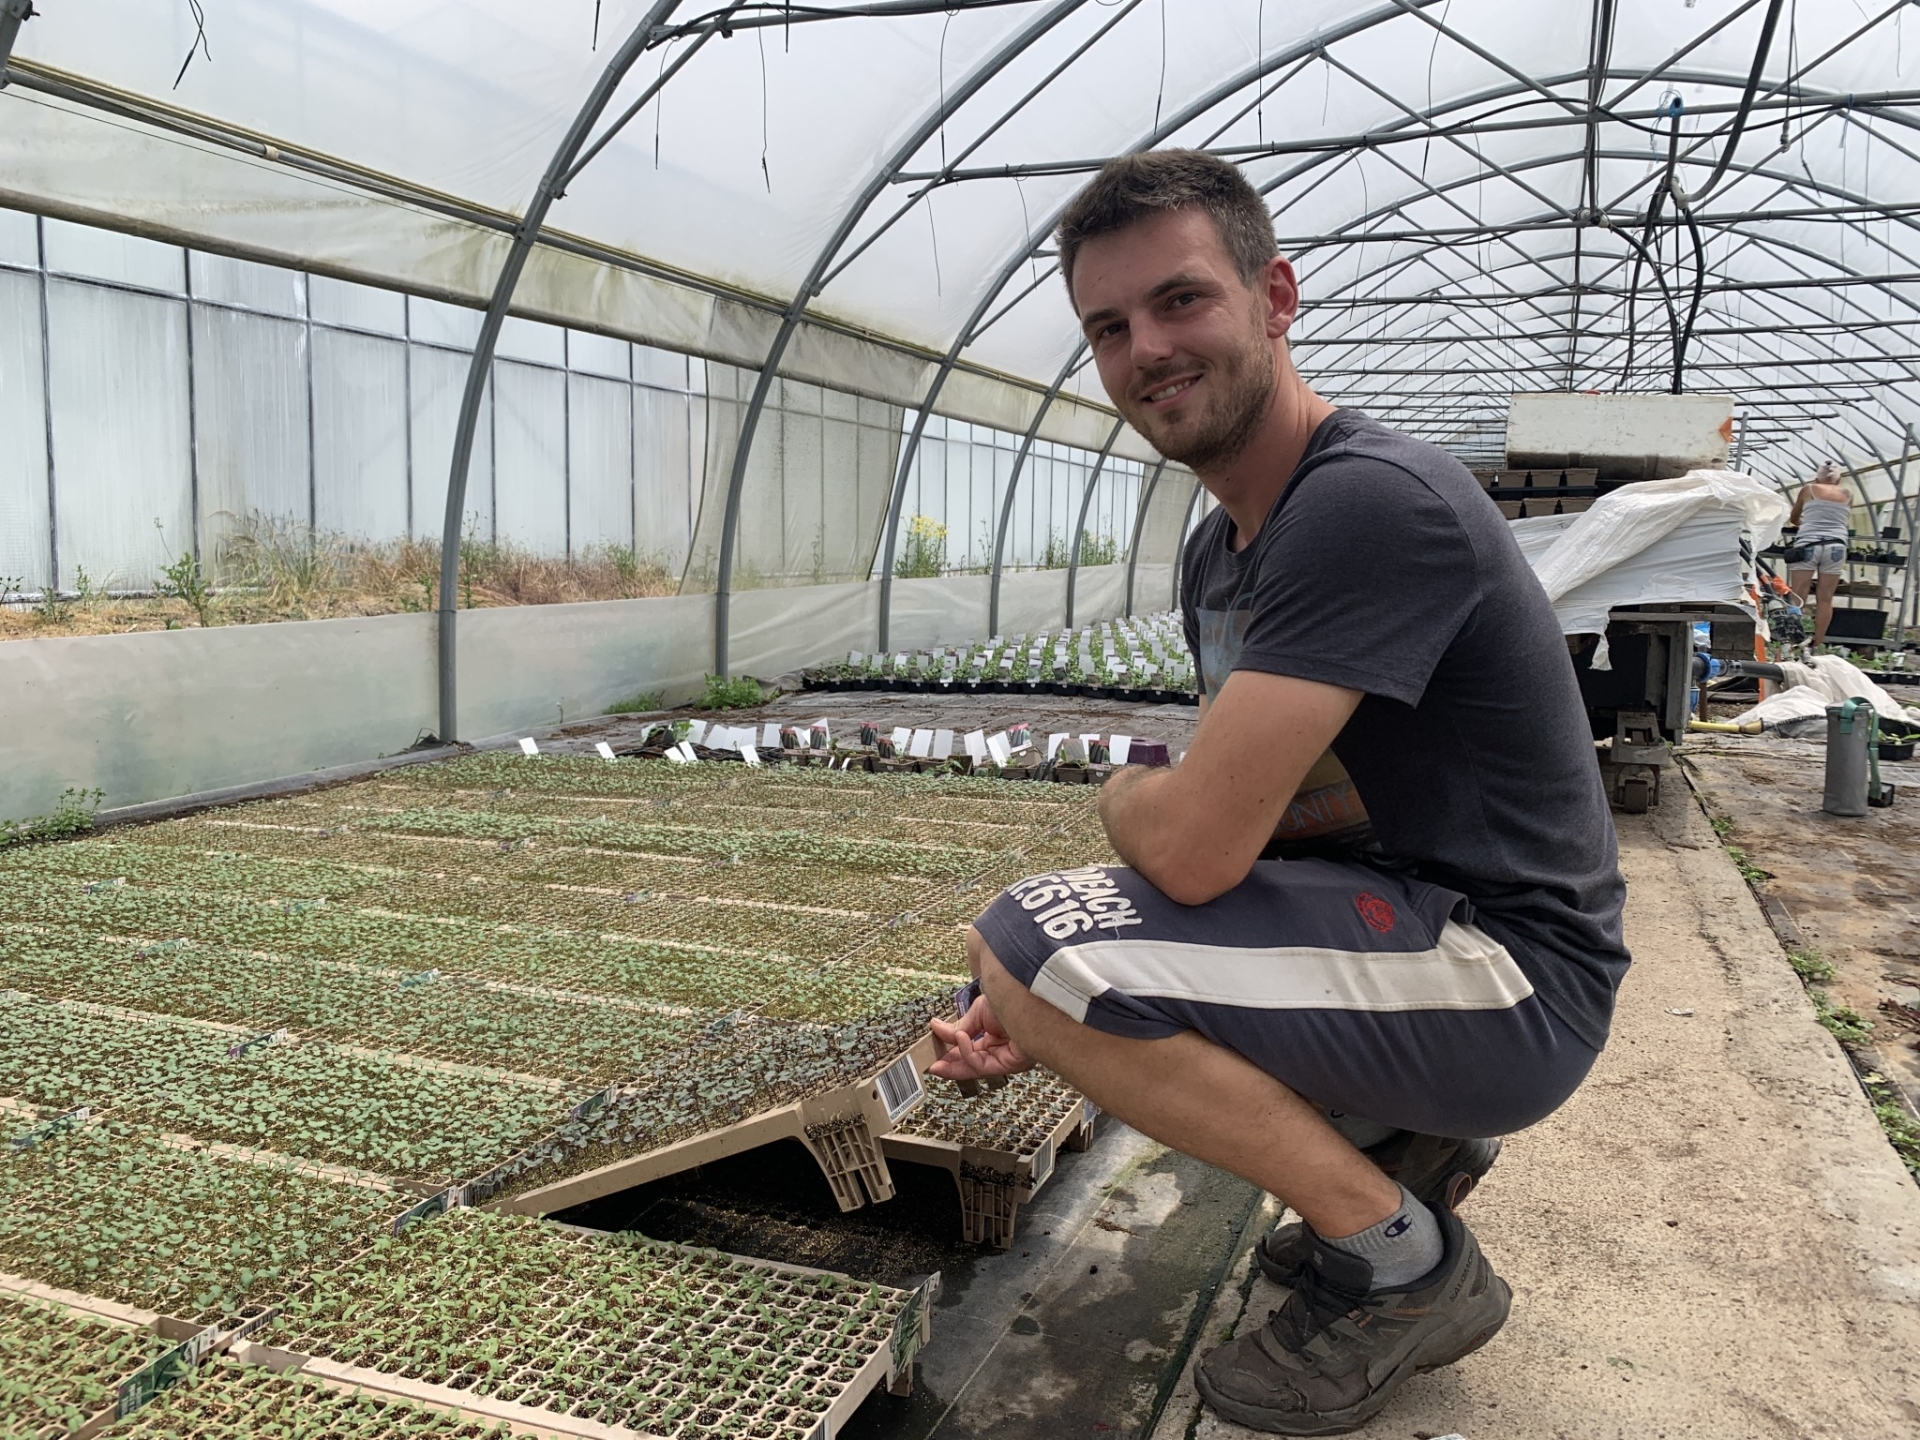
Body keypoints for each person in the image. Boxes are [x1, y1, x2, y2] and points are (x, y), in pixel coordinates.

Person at [927, 151, 1629, 1436]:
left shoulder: (1364, 506)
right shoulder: (1223, 548)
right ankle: (1398, 1145)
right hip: (1417, 914)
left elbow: (1190, 844)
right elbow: (1278, 815)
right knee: (1035, 960)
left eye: (1180, 300)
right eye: (1109, 326)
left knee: (1036, 931)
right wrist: (1019, 1004)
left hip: (1517, 977)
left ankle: (1404, 1262)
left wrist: (1123, 807)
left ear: (1275, 298)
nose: (1146, 348)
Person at [1787, 461, 1854, 648]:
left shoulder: (1809, 489)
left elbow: (1794, 517)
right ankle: (1817, 644)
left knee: (1799, 594)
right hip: (1836, 546)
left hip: (1808, 544)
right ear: (1839, 480)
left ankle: (1792, 641)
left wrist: (1806, 525)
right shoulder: (1848, 494)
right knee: (1825, 598)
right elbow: (1844, 519)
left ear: (1817, 478)